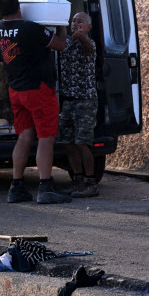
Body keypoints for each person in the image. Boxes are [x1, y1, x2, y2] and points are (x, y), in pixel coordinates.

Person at [0, 0, 70, 204]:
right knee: (46, 137)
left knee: (24, 137)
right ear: (19, 7)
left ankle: (16, 186)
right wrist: (60, 22)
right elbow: (60, 44)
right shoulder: (29, 28)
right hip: (38, 89)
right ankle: (46, 186)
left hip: (16, 90)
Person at [57, 12, 99, 198]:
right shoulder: (65, 43)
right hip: (68, 101)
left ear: (89, 27)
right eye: (73, 21)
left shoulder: (89, 44)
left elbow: (88, 47)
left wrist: (81, 37)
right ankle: (78, 181)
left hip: (85, 100)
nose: (75, 24)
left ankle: (91, 183)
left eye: (80, 22)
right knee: (67, 142)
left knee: (83, 143)